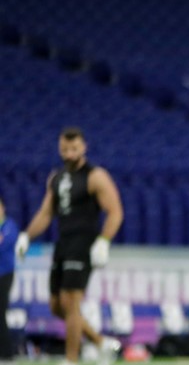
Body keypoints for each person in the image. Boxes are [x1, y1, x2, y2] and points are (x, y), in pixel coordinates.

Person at [14, 128, 123, 365]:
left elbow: (115, 211)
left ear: (83, 147)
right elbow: (46, 213)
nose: (69, 154)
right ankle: (101, 342)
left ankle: (71, 360)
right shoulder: (57, 178)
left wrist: (104, 241)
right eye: (65, 149)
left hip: (84, 243)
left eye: (74, 149)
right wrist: (26, 236)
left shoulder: (96, 176)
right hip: (63, 243)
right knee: (56, 306)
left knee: (71, 301)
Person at [1, 196, 18, 361]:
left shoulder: (9, 226)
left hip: (4, 274)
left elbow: (4, 244)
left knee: (0, 312)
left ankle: (7, 354)